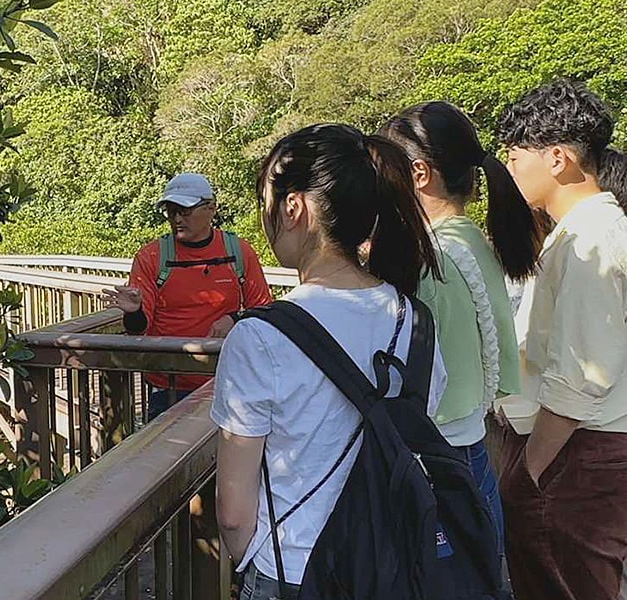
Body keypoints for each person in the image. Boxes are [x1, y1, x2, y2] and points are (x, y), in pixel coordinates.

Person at [212, 124, 446, 599]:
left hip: (293, 570)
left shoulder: (259, 337)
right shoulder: (415, 321)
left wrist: (251, 567)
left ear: (294, 207)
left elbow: (234, 513)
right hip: (393, 568)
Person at [379, 101, 542, 582]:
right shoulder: (469, 240)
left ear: (419, 173)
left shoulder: (433, 259)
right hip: (471, 453)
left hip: (439, 465)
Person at [494, 80, 627, 600]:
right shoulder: (582, 233)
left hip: (577, 456)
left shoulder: (590, 241)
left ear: (558, 159)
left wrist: (528, 474)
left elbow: (581, 376)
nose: (509, 169)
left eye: (515, 155)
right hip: (580, 452)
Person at [104, 173, 273, 419]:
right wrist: (134, 312)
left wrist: (235, 319)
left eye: (184, 210)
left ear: (211, 208)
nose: (176, 219)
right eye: (171, 211)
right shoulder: (152, 257)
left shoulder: (239, 252)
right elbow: (139, 329)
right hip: (169, 385)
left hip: (227, 379)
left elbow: (264, 310)